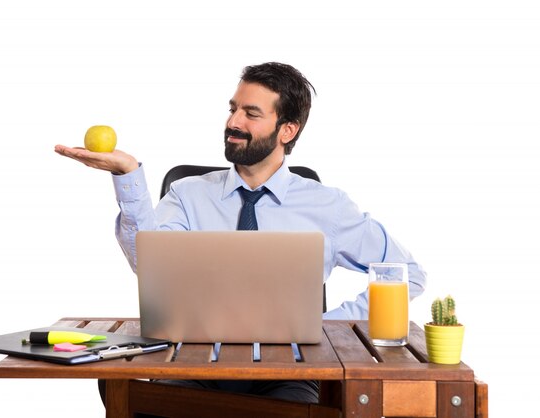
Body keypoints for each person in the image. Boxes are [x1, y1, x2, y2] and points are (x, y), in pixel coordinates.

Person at [55, 62, 427, 405]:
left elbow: (406, 272)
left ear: (287, 129)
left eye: (251, 114)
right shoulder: (187, 193)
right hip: (192, 367)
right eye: (233, 108)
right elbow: (148, 264)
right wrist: (128, 175)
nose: (234, 121)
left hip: (289, 373)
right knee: (139, 398)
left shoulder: (327, 206)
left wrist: (332, 326)